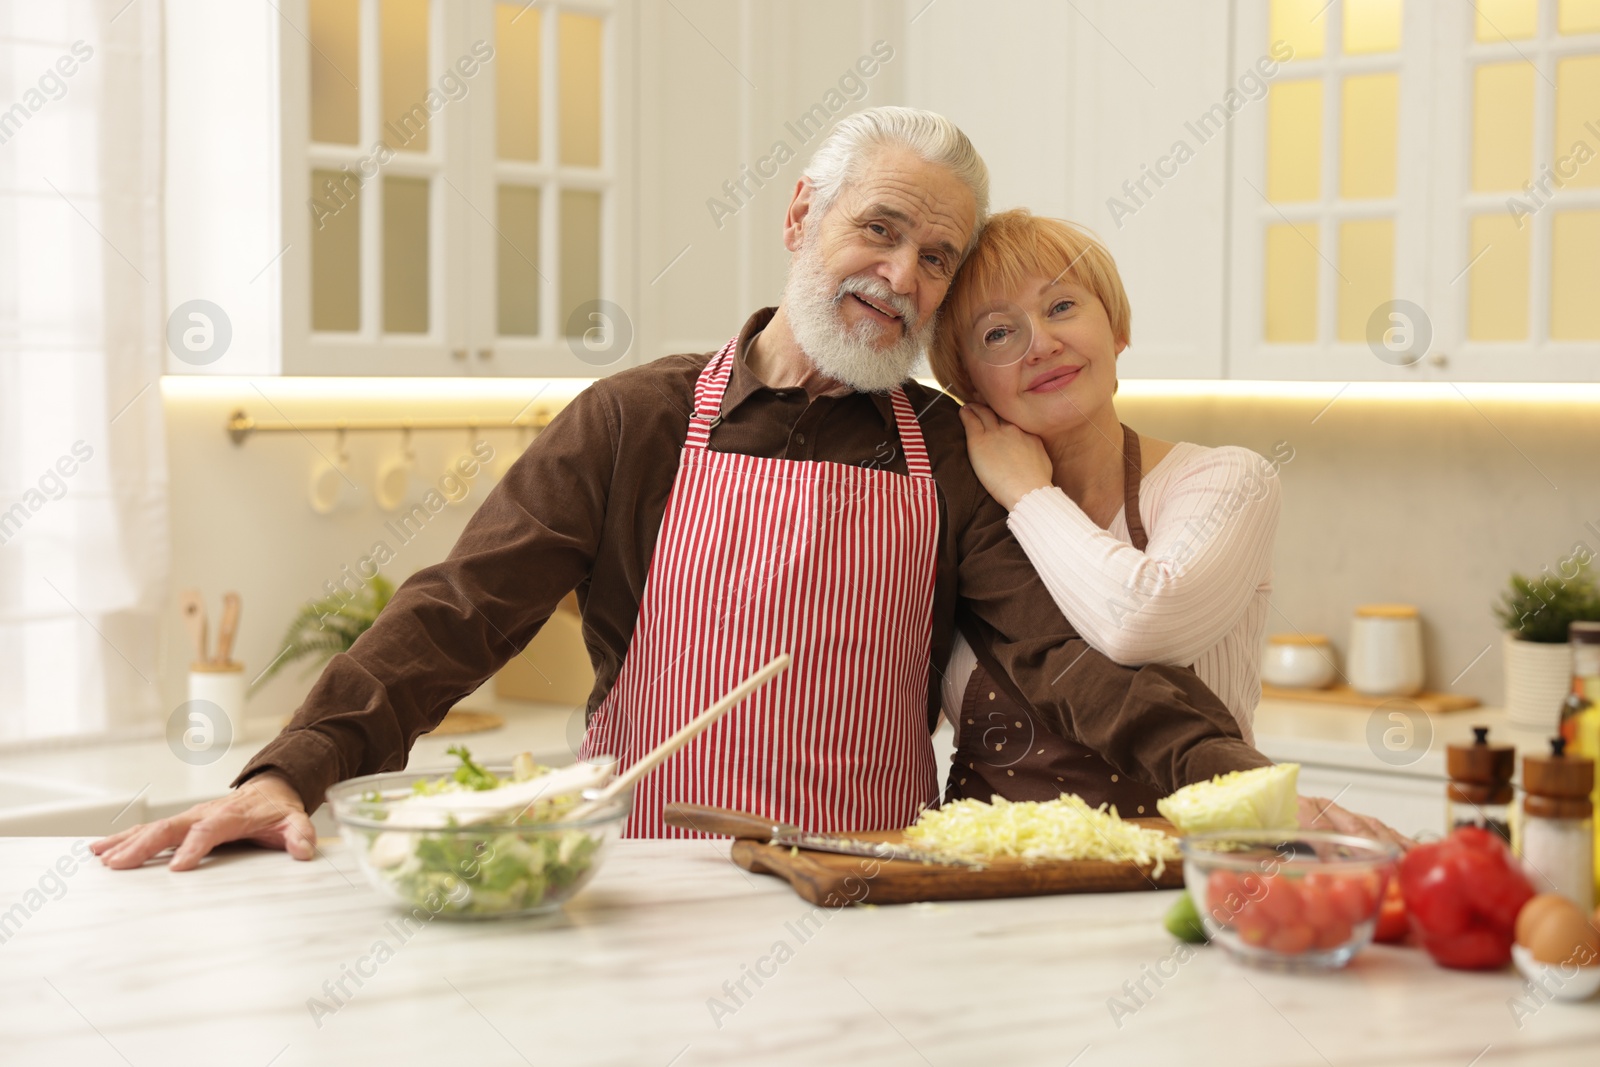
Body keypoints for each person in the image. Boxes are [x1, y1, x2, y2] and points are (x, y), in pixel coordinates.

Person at [93, 108, 1391, 871]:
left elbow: (1071, 656)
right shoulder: (636, 421)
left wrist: (1241, 781)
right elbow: (459, 609)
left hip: (858, 891)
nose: (901, 270)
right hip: (640, 883)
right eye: (877, 226)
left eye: (936, 256)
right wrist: (292, 768)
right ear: (800, 218)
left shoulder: (944, 446)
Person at [929, 209, 1288, 815]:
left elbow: (1144, 620)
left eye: (1062, 307)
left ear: (1116, 327)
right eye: (997, 334)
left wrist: (1027, 494)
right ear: (968, 384)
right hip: (984, 884)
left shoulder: (1227, 479)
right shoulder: (963, 521)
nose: (1041, 344)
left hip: (1181, 880)